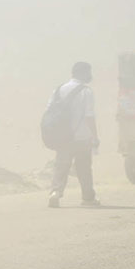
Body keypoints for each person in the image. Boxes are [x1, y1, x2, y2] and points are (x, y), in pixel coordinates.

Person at [47, 62, 101, 208]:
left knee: (61, 166)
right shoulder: (86, 92)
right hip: (82, 138)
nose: (91, 75)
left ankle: (55, 193)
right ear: (84, 73)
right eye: (89, 72)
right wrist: (95, 136)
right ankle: (88, 198)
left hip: (63, 137)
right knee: (83, 168)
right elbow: (89, 116)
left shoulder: (59, 89)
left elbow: (50, 111)